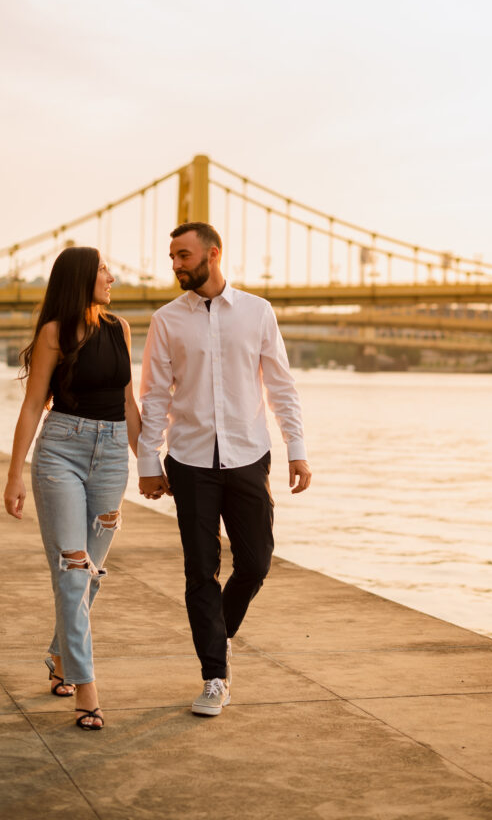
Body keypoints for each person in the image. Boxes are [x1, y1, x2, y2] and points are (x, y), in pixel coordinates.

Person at [137, 221, 311, 716]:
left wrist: (296, 448)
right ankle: (215, 676)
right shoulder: (167, 320)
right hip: (190, 460)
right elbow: (153, 395)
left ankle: (219, 633)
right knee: (200, 572)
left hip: (249, 455)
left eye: (184, 255)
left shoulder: (258, 313)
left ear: (213, 254)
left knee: (255, 561)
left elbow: (280, 385)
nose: (176, 265)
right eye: (172, 256)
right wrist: (148, 461)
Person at [3, 246, 140, 731]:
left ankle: (60, 657)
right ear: (82, 277)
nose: (112, 277)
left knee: (90, 572)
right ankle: (86, 687)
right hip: (61, 451)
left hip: (112, 458)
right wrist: (15, 472)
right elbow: (32, 403)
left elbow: (128, 403)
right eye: (104, 270)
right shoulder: (54, 334)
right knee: (72, 568)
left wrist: (150, 463)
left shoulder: (119, 329)